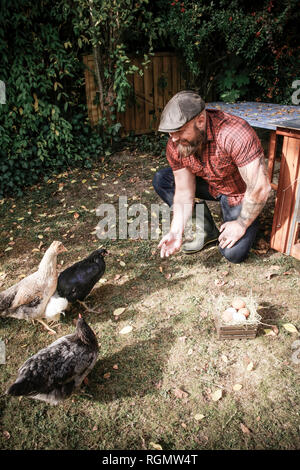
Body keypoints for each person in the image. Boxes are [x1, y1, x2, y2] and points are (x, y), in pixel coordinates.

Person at [153, 90, 271, 263]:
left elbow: (260, 186)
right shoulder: (176, 143)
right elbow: (184, 191)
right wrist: (176, 232)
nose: (174, 139)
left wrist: (241, 224)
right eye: (170, 133)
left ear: (200, 121)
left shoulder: (233, 133)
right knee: (162, 179)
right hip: (212, 184)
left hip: (237, 193)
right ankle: (207, 229)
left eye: (179, 131)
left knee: (233, 254)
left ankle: (250, 217)